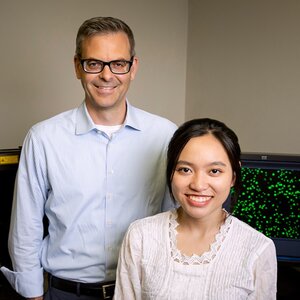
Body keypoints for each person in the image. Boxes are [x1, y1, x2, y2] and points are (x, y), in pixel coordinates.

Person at [0, 17, 177, 300]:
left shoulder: (166, 135)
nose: (107, 76)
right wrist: (32, 293)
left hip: (142, 290)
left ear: (133, 68)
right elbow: (26, 225)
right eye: (94, 64)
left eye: (118, 64)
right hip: (66, 292)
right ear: (77, 67)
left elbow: (175, 221)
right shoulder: (43, 138)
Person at [114, 118, 277, 300]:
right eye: (185, 170)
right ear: (171, 172)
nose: (198, 185)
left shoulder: (258, 249)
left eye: (214, 171)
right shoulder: (141, 236)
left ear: (233, 175)